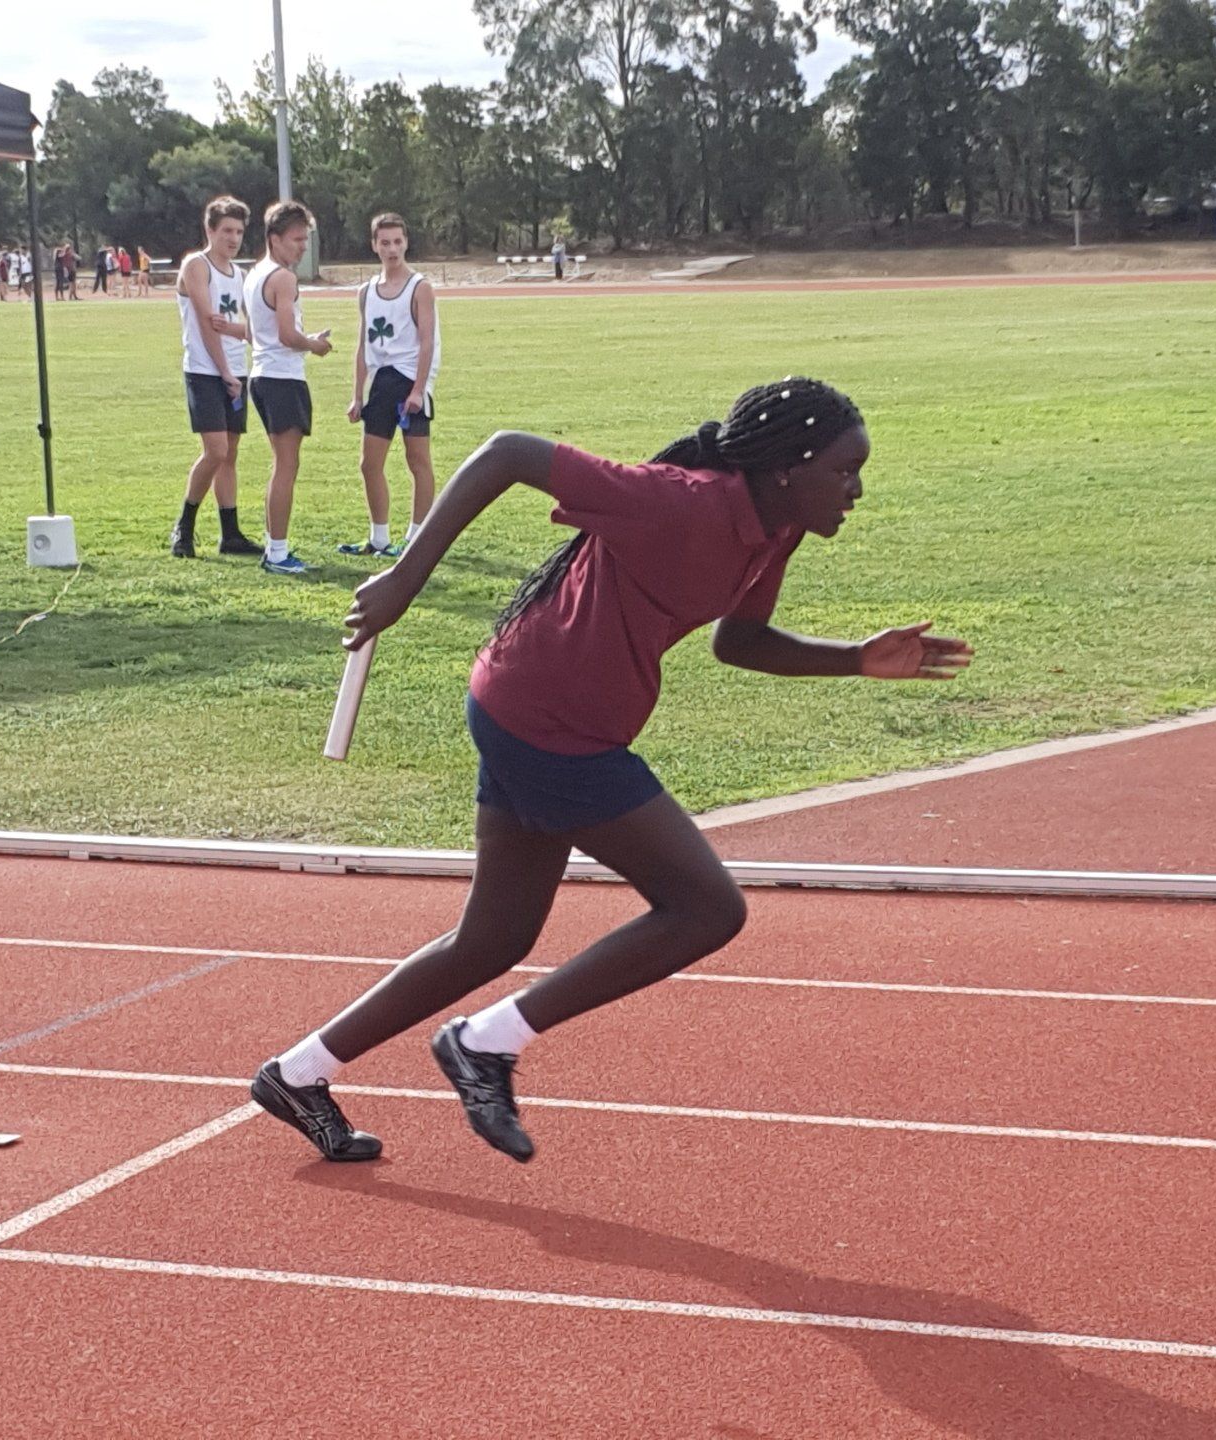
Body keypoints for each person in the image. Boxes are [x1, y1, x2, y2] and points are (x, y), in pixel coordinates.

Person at [251, 377, 973, 1164]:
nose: (857, 490)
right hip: (549, 723)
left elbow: (741, 641)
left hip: (540, 709)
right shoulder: (679, 500)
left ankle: (298, 1073)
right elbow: (508, 454)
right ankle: (483, 1043)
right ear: (786, 466)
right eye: (844, 470)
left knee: (492, 938)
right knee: (705, 908)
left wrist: (857, 662)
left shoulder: (775, 528)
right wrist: (405, 579)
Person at [339, 213, 438, 559]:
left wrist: (419, 390)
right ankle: (378, 538)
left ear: (406, 242)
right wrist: (356, 395)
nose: (392, 249)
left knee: (417, 460)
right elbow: (363, 345)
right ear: (374, 245)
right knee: (370, 463)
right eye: (385, 242)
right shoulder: (366, 292)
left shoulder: (419, 287)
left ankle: (417, 536)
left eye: (398, 241)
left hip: (409, 379)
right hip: (382, 383)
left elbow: (427, 342)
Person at [245, 200, 334, 577]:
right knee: (286, 466)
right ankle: (277, 553)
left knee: (281, 465)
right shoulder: (282, 278)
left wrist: (302, 339)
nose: (302, 247)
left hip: (264, 374)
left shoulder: (254, 275)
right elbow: (285, 334)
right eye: (296, 240)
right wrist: (313, 344)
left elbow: (254, 333)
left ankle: (275, 546)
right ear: (274, 238)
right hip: (282, 377)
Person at [170, 195, 262, 559]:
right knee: (215, 450)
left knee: (231, 453)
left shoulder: (239, 275)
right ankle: (185, 525)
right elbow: (209, 325)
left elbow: (250, 330)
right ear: (210, 229)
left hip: (236, 370)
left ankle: (230, 533)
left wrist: (237, 337)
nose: (233, 238)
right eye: (226, 230)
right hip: (206, 370)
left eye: (239, 231)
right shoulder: (197, 266)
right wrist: (224, 371)